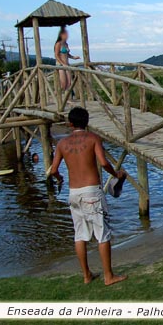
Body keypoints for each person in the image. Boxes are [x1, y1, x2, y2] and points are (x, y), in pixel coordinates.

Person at [48, 107, 127, 286]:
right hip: (91, 191)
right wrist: (115, 174)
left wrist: (60, 178)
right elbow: (103, 162)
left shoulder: (62, 144)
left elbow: (53, 170)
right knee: (102, 233)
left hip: (73, 193)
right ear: (87, 121)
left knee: (80, 235)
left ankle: (86, 275)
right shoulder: (93, 139)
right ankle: (108, 276)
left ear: (70, 123)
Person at [54, 27, 80, 92]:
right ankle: (56, 95)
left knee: (69, 83)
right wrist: (62, 64)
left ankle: (68, 99)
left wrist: (74, 57)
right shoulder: (58, 44)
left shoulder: (66, 44)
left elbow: (67, 54)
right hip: (60, 65)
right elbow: (56, 55)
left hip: (67, 64)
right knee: (63, 84)